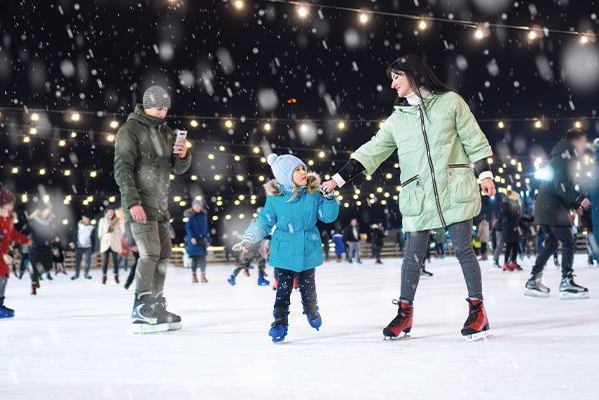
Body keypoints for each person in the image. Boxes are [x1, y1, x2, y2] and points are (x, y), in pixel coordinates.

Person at [321, 54, 496, 341]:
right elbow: (371, 150)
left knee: (464, 248)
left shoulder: (451, 102)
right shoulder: (397, 120)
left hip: (454, 187)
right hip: (419, 195)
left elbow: (473, 139)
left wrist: (484, 174)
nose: (392, 85)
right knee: (412, 256)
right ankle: (405, 313)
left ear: (413, 75)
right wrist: (338, 179)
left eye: (396, 78)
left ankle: (478, 311)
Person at [233, 153, 339, 343]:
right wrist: (249, 236)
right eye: (296, 170)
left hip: (308, 248)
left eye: (302, 168)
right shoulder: (275, 199)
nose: (302, 172)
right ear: (285, 176)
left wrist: (330, 199)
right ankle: (279, 322)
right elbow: (264, 222)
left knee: (308, 286)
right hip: (284, 250)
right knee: (283, 290)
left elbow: (327, 216)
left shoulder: (313, 193)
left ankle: (311, 309)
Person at [114, 85, 191, 333]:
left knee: (164, 254)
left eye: (166, 108)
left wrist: (183, 155)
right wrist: (132, 202)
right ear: (147, 105)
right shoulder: (130, 130)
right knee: (149, 253)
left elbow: (176, 169)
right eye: (159, 108)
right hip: (140, 204)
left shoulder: (167, 133)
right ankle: (141, 305)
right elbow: (122, 169)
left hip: (160, 206)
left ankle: (156, 303)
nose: (163, 112)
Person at [526, 129, 591, 299]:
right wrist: (579, 199)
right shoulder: (564, 158)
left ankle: (534, 279)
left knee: (552, 243)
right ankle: (566, 282)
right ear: (574, 142)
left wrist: (573, 205)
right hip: (551, 207)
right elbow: (560, 186)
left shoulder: (562, 157)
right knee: (568, 240)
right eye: (582, 142)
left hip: (547, 205)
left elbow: (558, 187)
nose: (584, 146)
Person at [0, 184, 31, 318]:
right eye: (9, 204)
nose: (11, 207)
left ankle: (0, 305)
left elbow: (11, 234)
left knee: (3, 278)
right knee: (0, 278)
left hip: (3, 254)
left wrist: (25, 240)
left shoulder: (9, 217)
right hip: (1, 254)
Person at [27, 203, 56, 295]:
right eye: (47, 209)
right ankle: (33, 285)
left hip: (46, 247)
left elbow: (52, 233)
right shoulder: (33, 221)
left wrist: (53, 239)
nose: (49, 211)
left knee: (48, 266)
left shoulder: (50, 222)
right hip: (34, 247)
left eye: (50, 210)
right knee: (35, 267)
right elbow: (28, 232)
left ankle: (37, 277)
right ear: (42, 210)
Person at [185, 199, 210, 284]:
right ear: (193, 206)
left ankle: (203, 276)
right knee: (195, 259)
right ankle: (194, 277)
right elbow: (188, 228)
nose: (197, 207)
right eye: (196, 206)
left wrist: (208, 238)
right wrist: (192, 237)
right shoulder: (190, 216)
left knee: (203, 259)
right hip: (194, 240)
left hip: (202, 240)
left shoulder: (203, 215)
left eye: (199, 206)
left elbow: (206, 228)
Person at [98, 207, 124, 284]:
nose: (111, 213)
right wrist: (103, 235)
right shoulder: (102, 220)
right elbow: (100, 231)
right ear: (106, 213)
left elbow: (122, 230)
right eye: (109, 212)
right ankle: (104, 276)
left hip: (115, 242)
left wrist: (116, 233)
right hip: (105, 242)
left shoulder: (118, 220)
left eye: (112, 212)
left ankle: (116, 276)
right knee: (105, 261)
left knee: (115, 261)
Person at [500, 191, 522, 271]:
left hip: (514, 227)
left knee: (516, 245)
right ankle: (506, 263)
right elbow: (507, 215)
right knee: (509, 245)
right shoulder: (505, 204)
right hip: (509, 228)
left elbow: (518, 215)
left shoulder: (514, 204)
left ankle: (513, 262)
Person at [69, 213, 95, 280]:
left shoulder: (91, 227)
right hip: (79, 246)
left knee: (87, 261)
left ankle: (86, 274)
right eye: (84, 218)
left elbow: (93, 238)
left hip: (88, 246)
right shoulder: (78, 225)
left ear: (89, 219)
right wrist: (72, 242)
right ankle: (76, 274)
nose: (85, 220)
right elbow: (74, 234)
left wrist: (93, 248)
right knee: (77, 261)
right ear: (82, 218)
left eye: (87, 219)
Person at [122, 222, 140, 290]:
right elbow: (128, 234)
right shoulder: (128, 223)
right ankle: (129, 281)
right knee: (139, 261)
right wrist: (133, 245)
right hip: (136, 246)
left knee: (141, 262)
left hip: (146, 244)